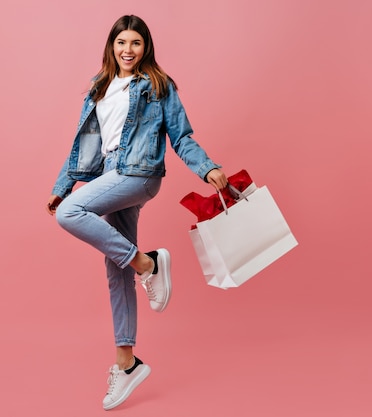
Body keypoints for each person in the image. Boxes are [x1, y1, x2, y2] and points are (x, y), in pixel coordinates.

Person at [46, 15, 228, 410]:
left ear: (146, 48)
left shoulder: (157, 87)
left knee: (72, 216)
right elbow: (85, 147)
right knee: (116, 269)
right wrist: (62, 187)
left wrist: (207, 167)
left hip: (139, 173)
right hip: (110, 173)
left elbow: (181, 136)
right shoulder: (98, 88)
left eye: (136, 43)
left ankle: (148, 265)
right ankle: (127, 363)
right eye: (121, 42)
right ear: (111, 45)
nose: (128, 50)